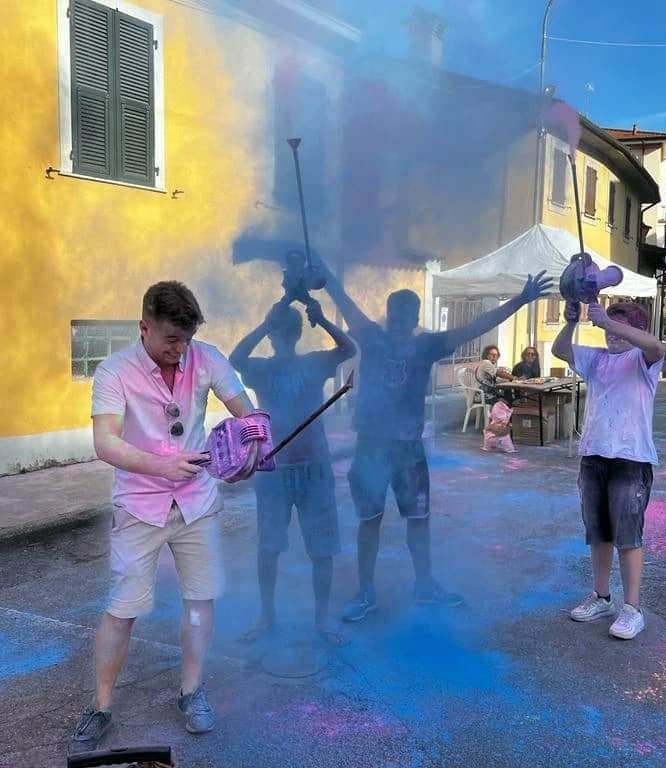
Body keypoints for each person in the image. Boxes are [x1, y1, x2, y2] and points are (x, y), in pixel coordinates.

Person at [71, 282, 256, 753]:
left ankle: (191, 693)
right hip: (139, 504)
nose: (181, 350)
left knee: (200, 600)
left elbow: (244, 410)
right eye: (171, 340)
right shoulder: (114, 370)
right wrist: (159, 464)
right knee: (123, 608)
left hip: (196, 501)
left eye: (187, 340)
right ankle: (101, 707)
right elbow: (105, 442)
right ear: (144, 327)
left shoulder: (205, 355)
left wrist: (254, 441)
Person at [321, 262, 552, 622]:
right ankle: (365, 590)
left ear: (413, 318)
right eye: (397, 313)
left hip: (408, 448)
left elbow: (477, 327)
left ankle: (424, 584)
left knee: (418, 518)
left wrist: (521, 301)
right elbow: (342, 298)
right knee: (370, 519)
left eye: (408, 314)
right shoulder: (371, 337)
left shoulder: (425, 345)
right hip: (371, 447)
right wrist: (326, 272)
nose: (401, 320)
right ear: (390, 315)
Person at [229, 298, 355, 645]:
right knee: (269, 547)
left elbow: (348, 348)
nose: (281, 336)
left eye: (286, 330)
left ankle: (322, 620)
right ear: (272, 335)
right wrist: (269, 319)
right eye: (277, 331)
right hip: (274, 468)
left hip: (315, 468)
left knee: (321, 549)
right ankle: (267, 618)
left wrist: (322, 319)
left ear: (297, 333)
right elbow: (234, 360)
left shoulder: (315, 363)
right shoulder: (261, 369)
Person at [552, 300, 665, 640]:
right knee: (598, 533)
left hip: (631, 459)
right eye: (607, 327)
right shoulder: (596, 359)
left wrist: (607, 321)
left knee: (628, 537)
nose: (611, 334)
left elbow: (658, 346)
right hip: (594, 456)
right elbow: (560, 350)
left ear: (634, 330)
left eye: (620, 327)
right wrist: (572, 322)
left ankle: (633, 609)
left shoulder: (643, 360)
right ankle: (601, 596)